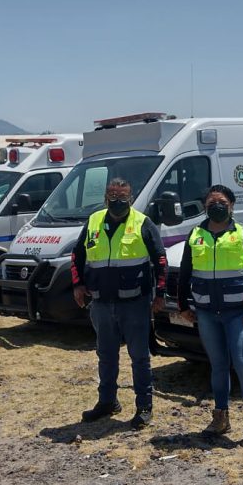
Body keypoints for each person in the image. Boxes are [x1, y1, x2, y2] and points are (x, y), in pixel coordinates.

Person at [71, 179, 167, 429]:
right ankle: (107, 402)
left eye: (122, 197)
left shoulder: (143, 223)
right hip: (101, 303)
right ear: (105, 198)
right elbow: (77, 255)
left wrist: (160, 295)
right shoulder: (93, 221)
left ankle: (144, 406)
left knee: (139, 357)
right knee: (106, 355)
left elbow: (161, 261)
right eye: (112, 196)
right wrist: (77, 284)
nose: (116, 201)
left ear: (131, 199)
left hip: (134, 302)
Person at [177, 185, 243, 445]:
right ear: (205, 206)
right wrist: (183, 305)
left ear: (232, 206)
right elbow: (185, 271)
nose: (217, 205)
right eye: (211, 201)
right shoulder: (195, 235)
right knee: (217, 365)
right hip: (206, 313)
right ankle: (221, 418)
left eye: (222, 201)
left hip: (239, 313)